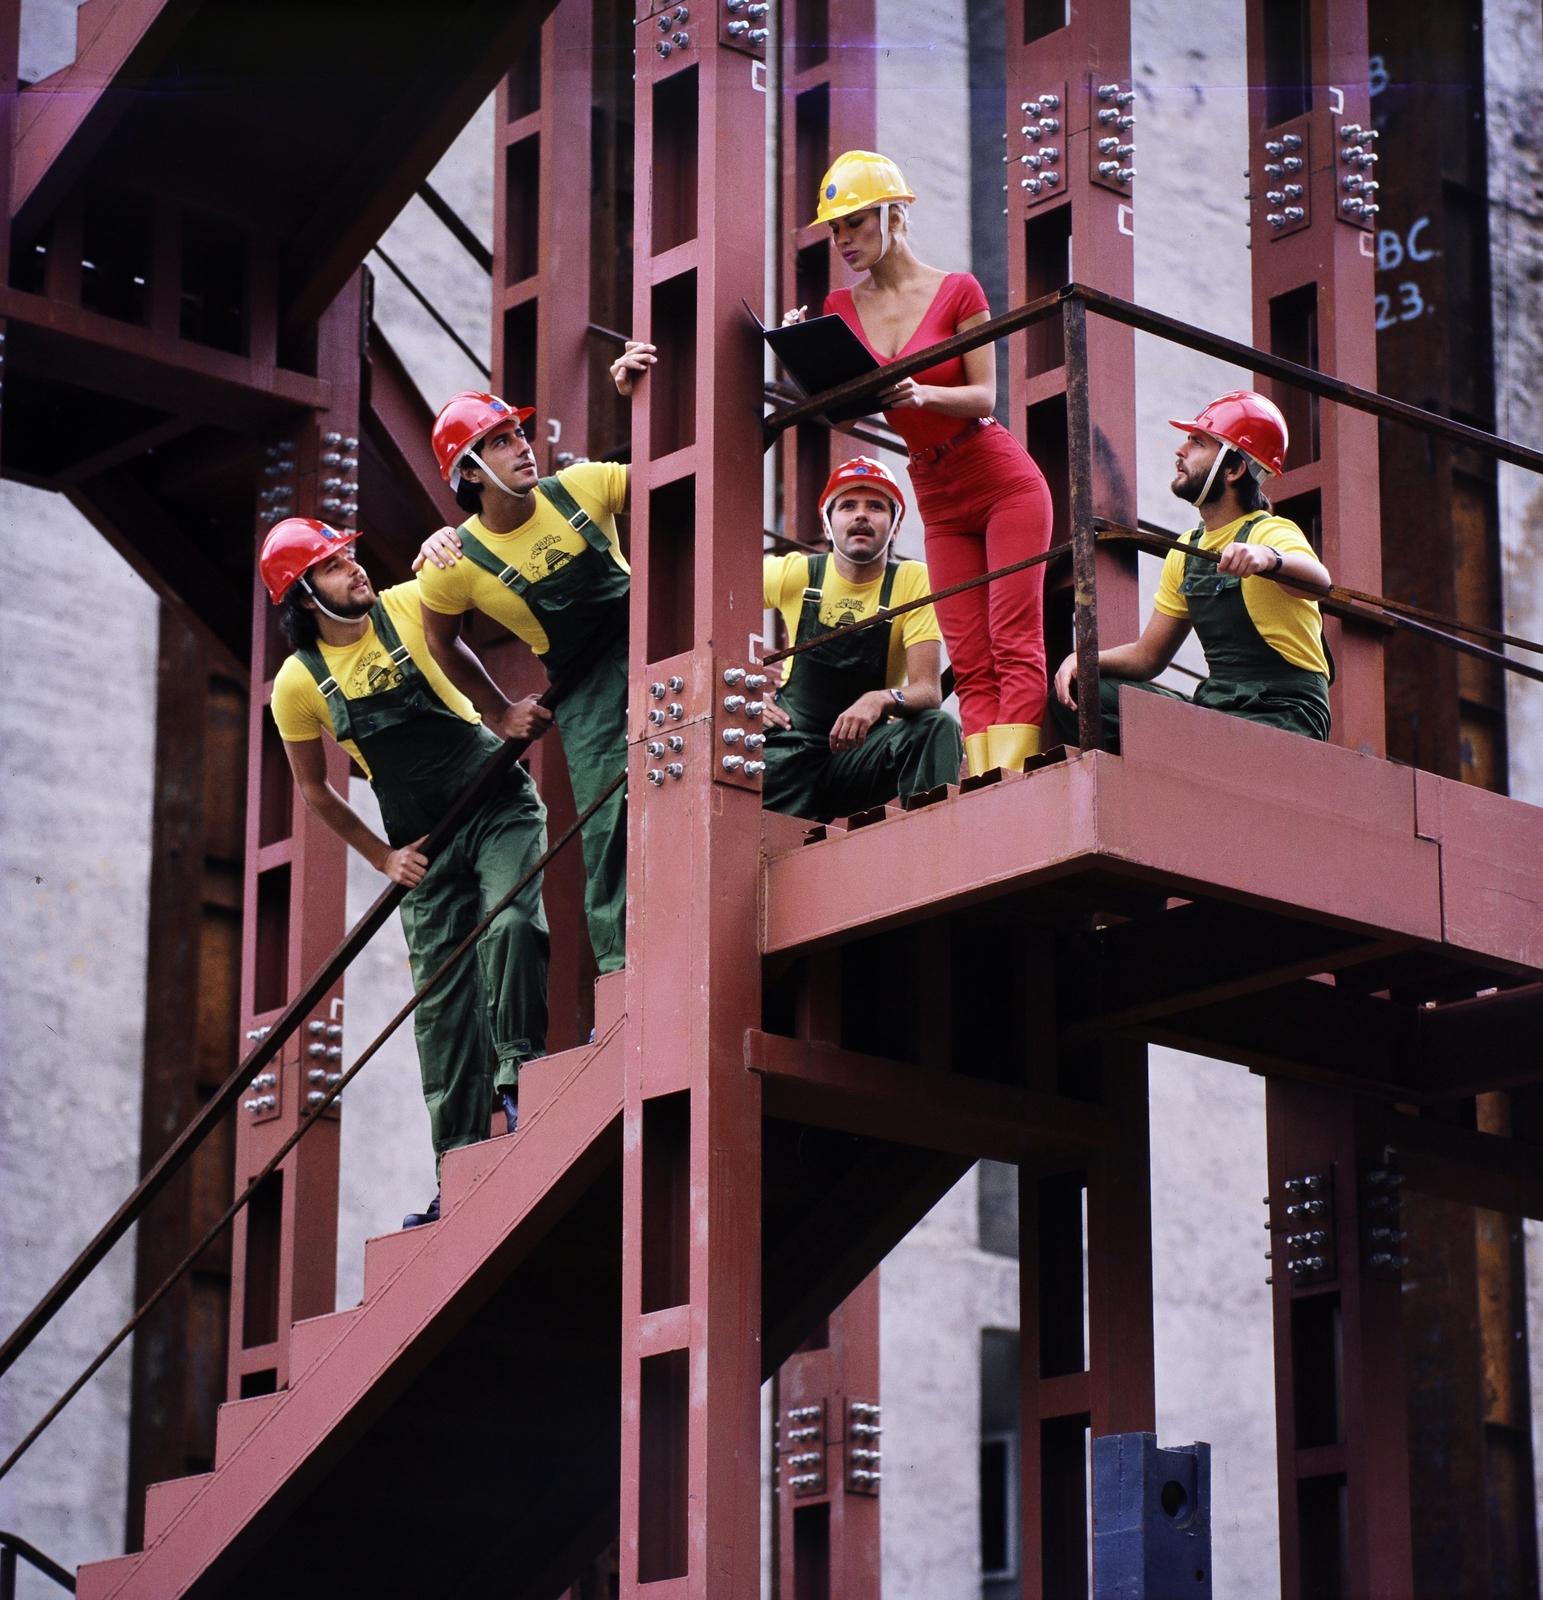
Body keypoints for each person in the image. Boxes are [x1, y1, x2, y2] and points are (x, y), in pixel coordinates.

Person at [262, 518, 550, 1229]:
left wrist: (448, 536)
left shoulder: (405, 603)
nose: (353, 568)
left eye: (350, 555)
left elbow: (472, 570)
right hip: (422, 847)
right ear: (302, 597)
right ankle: (457, 1173)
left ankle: (519, 1087)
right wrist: (383, 859)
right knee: (443, 1009)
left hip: (493, 804)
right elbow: (315, 792)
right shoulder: (297, 686)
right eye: (332, 565)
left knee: (511, 923)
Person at [784, 150, 1055, 779]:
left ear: (891, 214)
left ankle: (1011, 777)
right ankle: (986, 779)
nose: (842, 240)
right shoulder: (837, 308)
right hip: (933, 488)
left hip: (997, 475)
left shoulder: (959, 290)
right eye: (834, 229)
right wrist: (807, 354)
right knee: (968, 647)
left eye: (854, 222)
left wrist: (924, 393)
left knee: (1013, 636)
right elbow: (843, 418)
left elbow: (985, 397)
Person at [413, 392, 629, 981]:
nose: (523, 448)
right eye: (501, 441)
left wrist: (639, 395)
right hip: (585, 694)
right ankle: (621, 972)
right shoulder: (454, 563)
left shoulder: (583, 486)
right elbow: (441, 641)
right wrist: (499, 711)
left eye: (520, 435)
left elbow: (688, 473)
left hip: (654, 646)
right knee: (609, 827)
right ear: (470, 472)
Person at [1051, 391, 1334, 749]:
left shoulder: (1270, 532)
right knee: (1085, 691)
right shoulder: (1187, 551)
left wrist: (1267, 558)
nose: (1180, 451)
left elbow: (1320, 583)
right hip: (1220, 710)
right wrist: (1083, 660)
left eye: (1198, 443)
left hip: (1285, 713)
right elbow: (1148, 657)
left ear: (1234, 469)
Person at [758, 457, 962, 821]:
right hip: (786, 758)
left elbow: (928, 691)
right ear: (827, 522)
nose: (861, 515)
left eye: (876, 506)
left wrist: (881, 699)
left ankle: (932, 840)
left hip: (857, 759)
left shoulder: (912, 581)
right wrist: (745, 692)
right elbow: (708, 598)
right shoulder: (796, 573)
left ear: (896, 526)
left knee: (937, 726)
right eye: (848, 505)